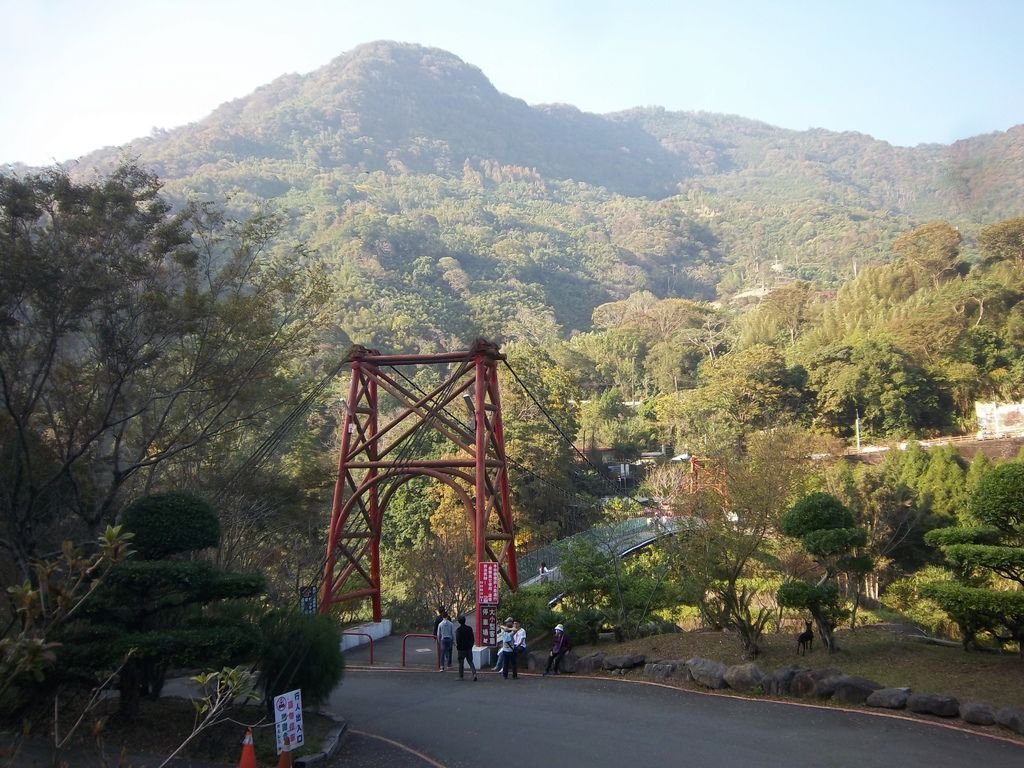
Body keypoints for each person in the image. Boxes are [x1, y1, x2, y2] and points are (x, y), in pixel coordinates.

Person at [455, 615, 477, 681]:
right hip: (468, 648)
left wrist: (458, 646)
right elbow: (472, 638)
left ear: (459, 622)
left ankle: (461, 676)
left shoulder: (458, 630)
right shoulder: (469, 628)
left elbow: (457, 639)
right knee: (470, 661)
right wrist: (471, 645)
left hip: (461, 649)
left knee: (461, 662)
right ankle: (474, 674)